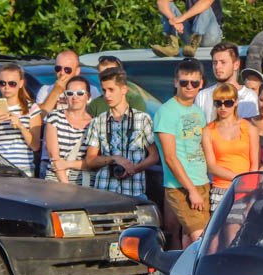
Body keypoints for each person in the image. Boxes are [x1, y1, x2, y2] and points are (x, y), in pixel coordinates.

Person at [154, 58, 210, 248]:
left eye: (194, 83)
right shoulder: (167, 112)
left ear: (201, 83)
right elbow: (170, 157)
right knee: (199, 238)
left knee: (189, 238)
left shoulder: (198, 111)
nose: (189, 87)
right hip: (181, 186)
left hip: (201, 181)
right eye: (184, 82)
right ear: (176, 82)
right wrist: (191, 190)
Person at [85, 68, 159, 196]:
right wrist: (113, 159)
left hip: (134, 190)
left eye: (111, 90)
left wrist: (133, 169)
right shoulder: (98, 121)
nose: (107, 95)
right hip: (104, 190)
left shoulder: (142, 119)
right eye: (104, 90)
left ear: (124, 89)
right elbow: (90, 160)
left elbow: (154, 156)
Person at [203, 83, 259, 212]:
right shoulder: (208, 130)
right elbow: (211, 167)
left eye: (227, 103)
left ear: (236, 102)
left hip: (246, 188)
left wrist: (248, 185)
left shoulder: (250, 128)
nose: (223, 107)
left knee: (239, 230)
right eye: (218, 103)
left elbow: (254, 164)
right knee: (219, 231)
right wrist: (238, 178)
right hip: (220, 188)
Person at [0, 64, 41, 177]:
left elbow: (35, 146)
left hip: (24, 171)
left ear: (21, 83)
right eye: (2, 83)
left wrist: (21, 126)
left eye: (12, 83)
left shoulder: (32, 108)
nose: (6, 87)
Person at [45, 76, 93, 185]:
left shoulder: (95, 123)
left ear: (88, 96)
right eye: (70, 93)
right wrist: (66, 185)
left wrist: (67, 164)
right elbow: (54, 158)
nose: (74, 97)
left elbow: (92, 162)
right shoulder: (54, 117)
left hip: (85, 181)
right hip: (56, 180)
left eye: (80, 93)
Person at [195, 42, 258, 125]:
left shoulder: (249, 97)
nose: (217, 67)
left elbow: (249, 131)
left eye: (223, 62)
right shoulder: (202, 96)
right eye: (215, 63)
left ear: (236, 64)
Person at [151, 0, 223, 57]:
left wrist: (181, 18)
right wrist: (173, 19)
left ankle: (195, 40)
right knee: (167, 6)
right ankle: (173, 45)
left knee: (205, 6)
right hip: (190, 38)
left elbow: (206, 2)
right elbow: (161, 2)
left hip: (210, 37)